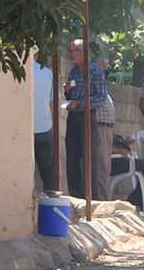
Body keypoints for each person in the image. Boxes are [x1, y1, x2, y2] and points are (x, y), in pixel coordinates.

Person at [62, 39, 109, 199]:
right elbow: (72, 94)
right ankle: (76, 198)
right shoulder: (73, 71)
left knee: (88, 161)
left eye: (75, 51)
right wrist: (67, 92)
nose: (72, 54)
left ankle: (91, 199)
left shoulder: (94, 70)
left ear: (84, 52)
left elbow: (101, 97)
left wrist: (80, 104)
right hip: (73, 118)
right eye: (71, 51)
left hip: (87, 118)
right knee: (72, 159)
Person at [30, 51, 57, 192]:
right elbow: (51, 103)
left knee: (26, 170)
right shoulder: (47, 73)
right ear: (36, 54)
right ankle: (49, 200)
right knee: (47, 172)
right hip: (45, 128)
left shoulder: (18, 72)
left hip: (25, 129)